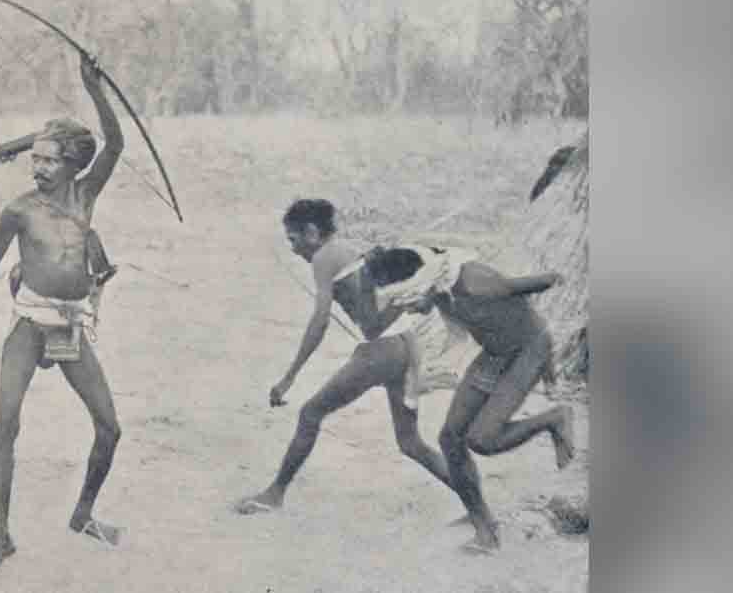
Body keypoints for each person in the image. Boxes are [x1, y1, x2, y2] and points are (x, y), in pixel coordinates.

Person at [0, 53, 123, 572]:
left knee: (110, 427)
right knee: (6, 425)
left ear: (73, 165)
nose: (38, 168)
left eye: (50, 160)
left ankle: (83, 514)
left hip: (70, 325)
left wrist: (93, 87)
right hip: (31, 324)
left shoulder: (86, 194)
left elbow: (116, 143)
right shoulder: (19, 209)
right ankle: (1, 535)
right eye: (34, 159)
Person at [234, 199, 460, 518]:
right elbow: (380, 314)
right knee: (410, 443)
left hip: (383, 351)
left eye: (293, 239)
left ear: (311, 232)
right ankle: (476, 504)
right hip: (405, 345)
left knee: (310, 413)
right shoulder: (347, 251)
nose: (293, 249)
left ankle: (274, 494)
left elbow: (320, 320)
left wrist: (289, 377)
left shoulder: (324, 257)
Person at [379, 245, 576, 553]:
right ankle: (484, 526)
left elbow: (547, 283)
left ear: (422, 285)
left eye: (409, 302)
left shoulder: (475, 282)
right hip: (495, 355)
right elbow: (456, 338)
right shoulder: (442, 289)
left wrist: (549, 367)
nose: (408, 311)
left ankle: (553, 418)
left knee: (483, 440)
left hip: (528, 350)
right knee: (450, 438)